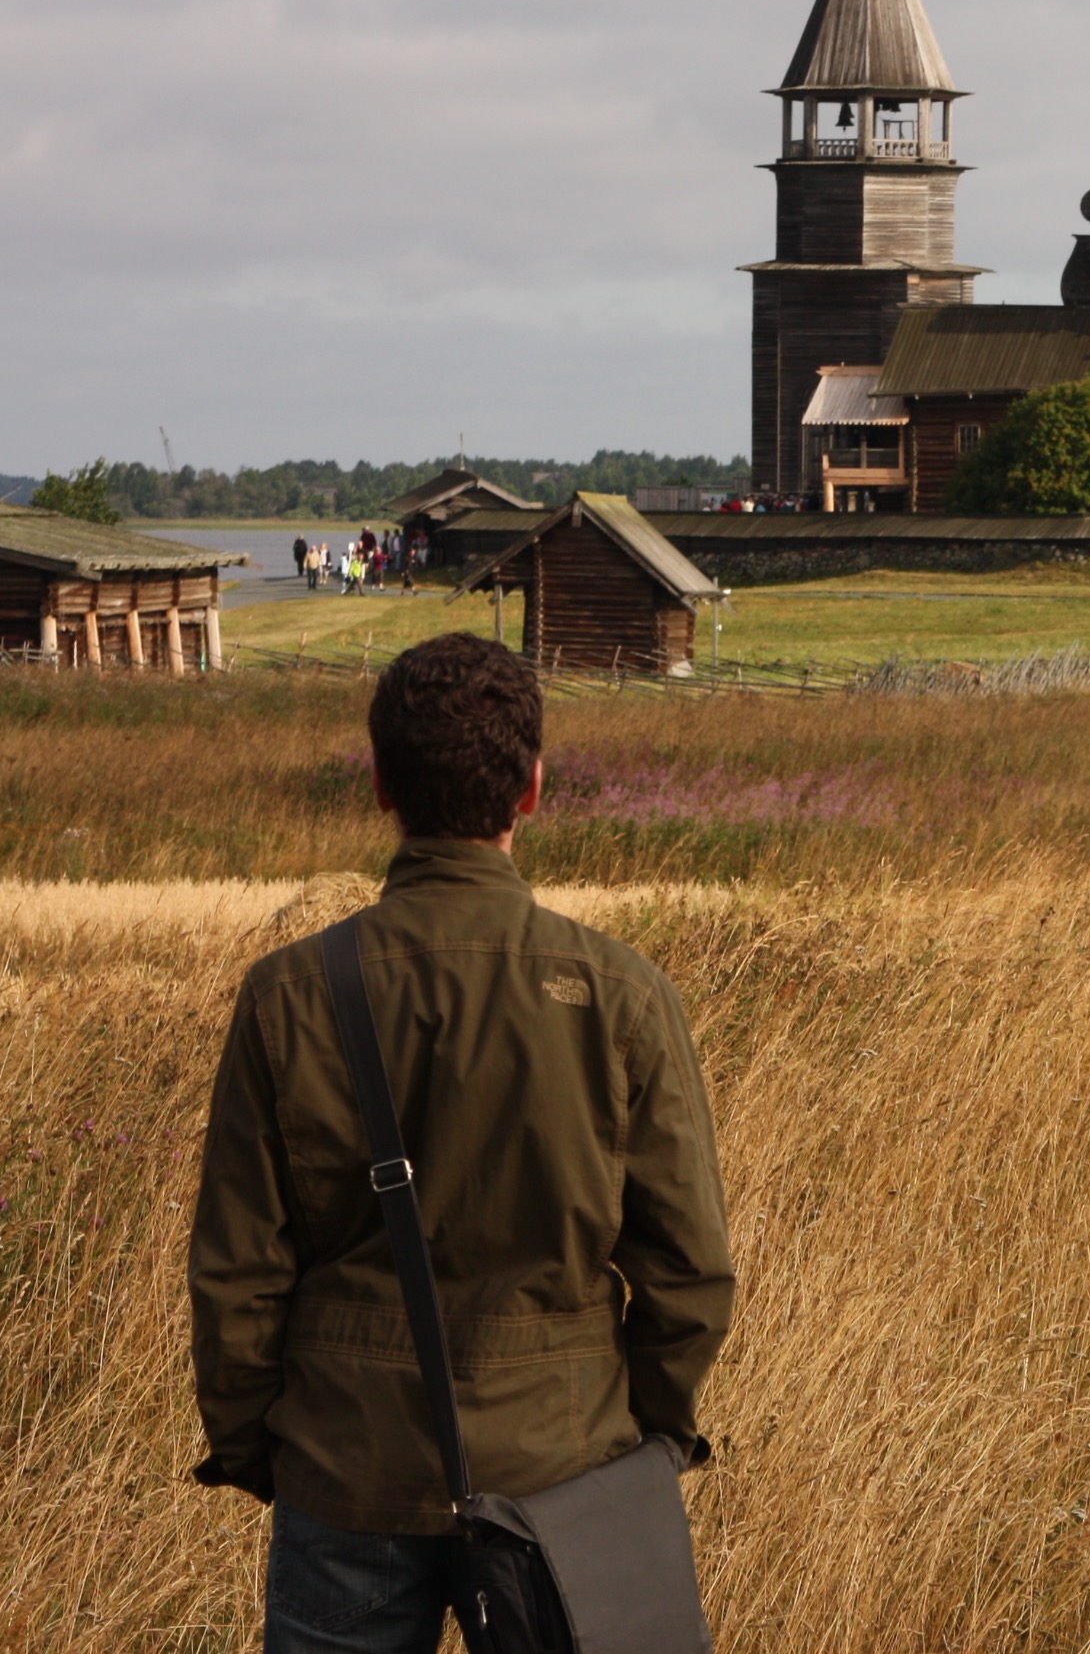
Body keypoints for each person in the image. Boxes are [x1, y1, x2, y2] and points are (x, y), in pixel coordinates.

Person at [189, 632, 733, 1651]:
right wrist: (641, 1437)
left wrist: (265, 1445)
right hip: (567, 1468)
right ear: (533, 788)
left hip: (346, 1465)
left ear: (383, 783)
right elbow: (690, 1268)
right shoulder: (621, 995)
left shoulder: (289, 995)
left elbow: (237, 1271)